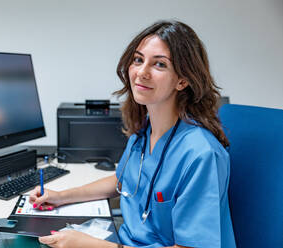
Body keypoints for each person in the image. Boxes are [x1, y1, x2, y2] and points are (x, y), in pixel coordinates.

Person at [29, 20, 236, 248]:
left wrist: (92, 246)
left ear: (182, 80)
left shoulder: (201, 154)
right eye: (138, 60)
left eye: (159, 65)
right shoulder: (145, 131)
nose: (142, 72)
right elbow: (124, 180)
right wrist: (60, 197)